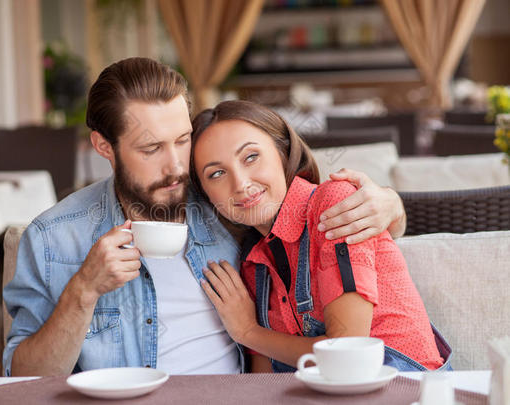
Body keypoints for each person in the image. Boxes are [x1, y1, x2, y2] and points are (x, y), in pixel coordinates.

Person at [3, 57, 408, 376]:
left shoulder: (226, 201)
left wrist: (392, 205)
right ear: (104, 146)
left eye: (183, 140)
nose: (176, 165)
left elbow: (310, 220)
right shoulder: (55, 237)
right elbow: (25, 378)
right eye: (151, 149)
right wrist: (83, 291)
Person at [190, 100, 452, 373]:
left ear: (283, 152)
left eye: (251, 157)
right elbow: (262, 385)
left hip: (409, 389)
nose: (241, 184)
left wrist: (247, 331)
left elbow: (346, 355)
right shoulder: (252, 261)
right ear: (206, 195)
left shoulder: (334, 206)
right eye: (217, 173)